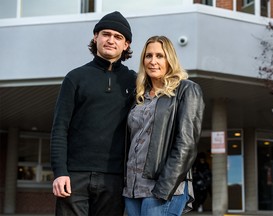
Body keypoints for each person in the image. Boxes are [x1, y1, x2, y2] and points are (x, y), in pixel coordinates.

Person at [50, 11, 136, 216]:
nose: (111, 40)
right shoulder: (75, 77)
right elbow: (59, 128)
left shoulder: (135, 82)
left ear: (126, 45)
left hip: (114, 178)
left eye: (118, 37)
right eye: (106, 34)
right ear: (95, 37)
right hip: (74, 177)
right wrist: (60, 172)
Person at [122, 35, 205, 216]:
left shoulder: (186, 90)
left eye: (160, 56)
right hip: (132, 188)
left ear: (170, 59)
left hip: (162, 188)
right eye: (148, 56)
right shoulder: (139, 96)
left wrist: (165, 187)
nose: (153, 61)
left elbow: (187, 144)